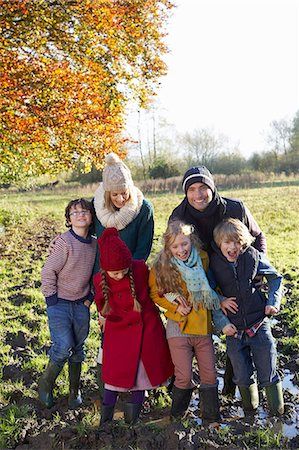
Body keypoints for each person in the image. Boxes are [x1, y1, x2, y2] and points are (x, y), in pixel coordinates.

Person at [169, 165, 267, 395]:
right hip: (202, 278)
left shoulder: (235, 208)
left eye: (203, 187)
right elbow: (173, 248)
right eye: (191, 189)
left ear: (212, 188)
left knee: (238, 329)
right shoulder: (179, 214)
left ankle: (235, 386)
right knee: (212, 330)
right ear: (186, 193)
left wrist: (259, 269)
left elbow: (258, 235)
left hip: (237, 274)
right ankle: (193, 382)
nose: (198, 194)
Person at [148, 221, 237, 423]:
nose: (181, 250)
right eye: (175, 246)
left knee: (210, 375)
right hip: (178, 327)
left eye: (185, 244)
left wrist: (220, 300)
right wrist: (175, 306)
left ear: (192, 241)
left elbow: (213, 286)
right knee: (184, 376)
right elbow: (155, 293)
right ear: (168, 247)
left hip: (203, 326)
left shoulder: (203, 259)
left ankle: (211, 418)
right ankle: (177, 417)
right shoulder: (161, 265)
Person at [93, 228, 173, 425]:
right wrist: (102, 317)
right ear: (105, 269)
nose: (119, 275)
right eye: (114, 272)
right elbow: (101, 305)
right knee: (114, 377)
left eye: (123, 271)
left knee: (141, 377)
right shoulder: (100, 280)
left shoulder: (139, 269)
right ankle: (105, 421)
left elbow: (156, 287)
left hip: (146, 329)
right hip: (118, 334)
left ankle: (132, 421)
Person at [93, 152, 154, 393]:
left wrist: (127, 277)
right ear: (107, 193)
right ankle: (108, 382)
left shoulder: (143, 209)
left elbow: (143, 248)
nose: (120, 198)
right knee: (107, 328)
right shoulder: (98, 209)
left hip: (131, 279)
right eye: (115, 194)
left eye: (124, 192)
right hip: (104, 281)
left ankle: (138, 383)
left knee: (134, 329)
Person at [210, 218, 284, 416]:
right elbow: (207, 293)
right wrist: (222, 317)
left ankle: (277, 412)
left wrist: (272, 302)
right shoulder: (215, 265)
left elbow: (276, 278)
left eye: (237, 242)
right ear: (219, 244)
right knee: (242, 374)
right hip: (233, 330)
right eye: (227, 242)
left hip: (258, 324)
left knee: (267, 369)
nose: (233, 247)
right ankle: (250, 414)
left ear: (244, 243)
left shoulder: (253, 257)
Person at [39, 198, 97, 409]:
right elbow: (48, 271)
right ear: (68, 219)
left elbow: (94, 275)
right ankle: (46, 383)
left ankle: (74, 389)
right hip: (59, 303)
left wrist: (89, 298)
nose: (80, 215)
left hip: (81, 304)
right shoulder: (63, 242)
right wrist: (51, 299)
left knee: (78, 348)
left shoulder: (94, 244)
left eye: (85, 212)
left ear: (91, 217)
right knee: (63, 347)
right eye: (75, 213)